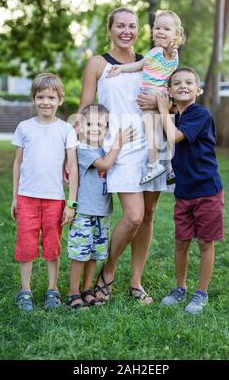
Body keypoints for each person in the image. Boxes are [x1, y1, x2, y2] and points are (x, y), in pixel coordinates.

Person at [75, 7, 172, 305]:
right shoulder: (96, 64)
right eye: (120, 26)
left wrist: (158, 101)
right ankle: (108, 271)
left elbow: (169, 99)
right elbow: (84, 112)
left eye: (131, 26)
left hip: (152, 143)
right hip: (119, 146)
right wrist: (83, 151)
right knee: (133, 216)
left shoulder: (150, 61)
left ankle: (135, 283)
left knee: (148, 216)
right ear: (111, 29)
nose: (126, 31)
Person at [156, 67, 224, 314]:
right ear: (170, 91)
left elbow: (174, 137)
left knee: (205, 242)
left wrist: (164, 110)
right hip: (184, 193)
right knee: (181, 242)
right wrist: (165, 109)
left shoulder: (199, 114)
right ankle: (180, 287)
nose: (182, 86)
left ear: (199, 89)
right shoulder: (177, 114)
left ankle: (201, 292)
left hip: (207, 191)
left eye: (188, 82)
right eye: (176, 83)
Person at [11, 73, 78, 311]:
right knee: (26, 244)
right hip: (27, 197)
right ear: (34, 98)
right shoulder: (24, 127)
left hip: (54, 199)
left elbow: (72, 167)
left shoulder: (66, 129)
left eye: (51, 97)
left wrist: (71, 202)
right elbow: (18, 162)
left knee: (52, 244)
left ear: (60, 99)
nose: (45, 102)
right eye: (41, 97)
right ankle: (25, 290)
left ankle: (52, 288)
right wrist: (14, 197)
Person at [66, 103, 135, 309]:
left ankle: (87, 290)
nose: (94, 128)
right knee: (80, 255)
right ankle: (73, 293)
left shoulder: (102, 148)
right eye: (89, 123)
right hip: (84, 212)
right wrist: (118, 144)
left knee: (95, 254)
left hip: (102, 212)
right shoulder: (83, 149)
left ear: (106, 129)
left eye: (100, 125)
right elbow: (105, 165)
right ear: (80, 125)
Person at [107, 10, 185, 185]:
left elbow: (170, 54)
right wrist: (121, 68)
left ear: (176, 34)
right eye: (157, 28)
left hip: (156, 95)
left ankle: (154, 165)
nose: (160, 32)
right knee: (161, 132)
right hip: (155, 96)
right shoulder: (154, 52)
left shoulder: (168, 52)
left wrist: (170, 48)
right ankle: (170, 167)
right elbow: (140, 65)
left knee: (152, 130)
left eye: (166, 29)